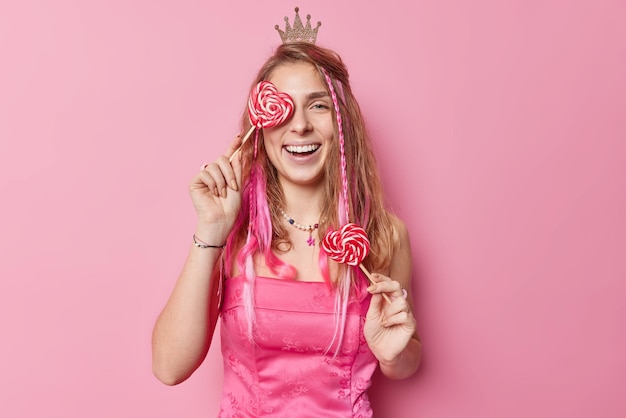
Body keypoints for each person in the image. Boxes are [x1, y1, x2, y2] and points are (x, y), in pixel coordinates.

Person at [152, 7, 421, 417]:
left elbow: (405, 359)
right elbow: (169, 367)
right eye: (283, 107)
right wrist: (211, 228)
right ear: (261, 124)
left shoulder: (383, 234)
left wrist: (393, 356)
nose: (299, 126)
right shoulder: (236, 234)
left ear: (341, 122)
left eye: (317, 106)